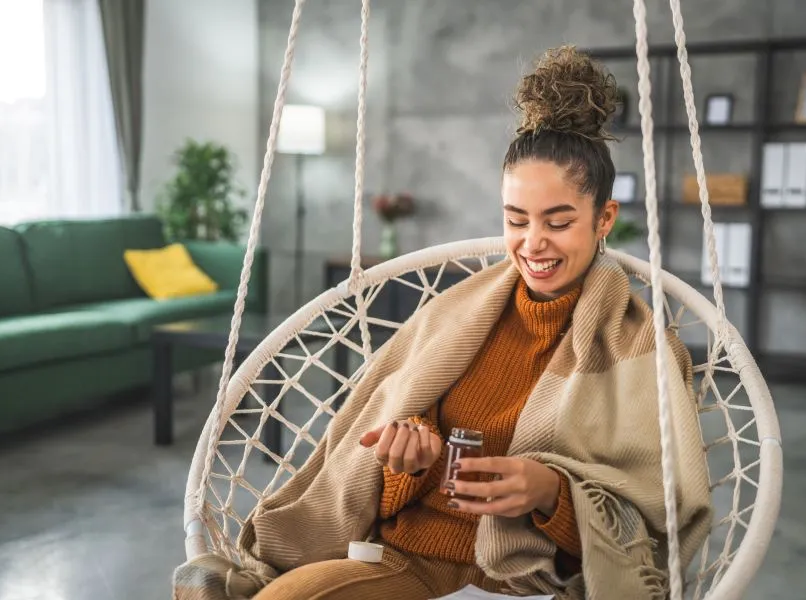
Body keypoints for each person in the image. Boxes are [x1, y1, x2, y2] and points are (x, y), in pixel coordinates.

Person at [174, 45, 711, 600]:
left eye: (558, 223)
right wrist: (408, 461)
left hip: (525, 580)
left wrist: (552, 494)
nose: (533, 243)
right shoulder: (458, 317)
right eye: (516, 220)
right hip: (408, 558)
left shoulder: (640, 350)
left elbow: (655, 526)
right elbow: (385, 468)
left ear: (604, 219)